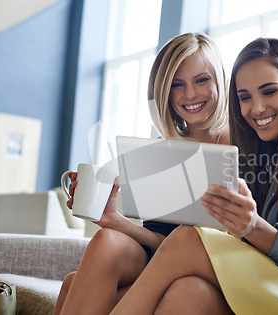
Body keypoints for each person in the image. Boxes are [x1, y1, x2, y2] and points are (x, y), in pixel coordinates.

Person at [109, 38, 278, 314]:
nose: (256, 108)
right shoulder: (263, 148)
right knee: (188, 291)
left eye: (270, 91)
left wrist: (253, 227)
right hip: (275, 277)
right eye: (245, 97)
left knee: (187, 239)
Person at [54, 32, 229, 315]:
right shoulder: (161, 153)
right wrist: (113, 219)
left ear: (220, 79)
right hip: (163, 261)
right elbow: (160, 240)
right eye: (177, 85)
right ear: (163, 91)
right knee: (106, 241)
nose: (190, 94)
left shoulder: (244, 143)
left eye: (202, 80)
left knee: (74, 285)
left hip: (215, 268)